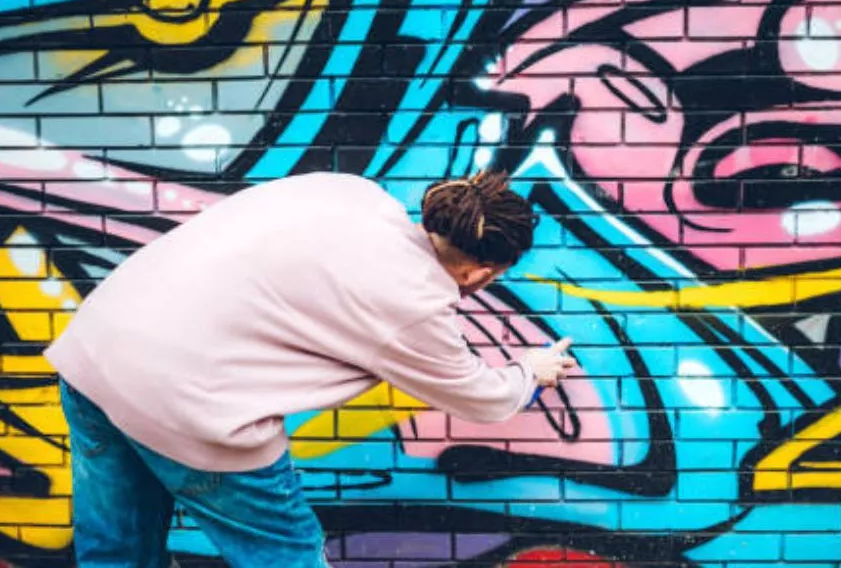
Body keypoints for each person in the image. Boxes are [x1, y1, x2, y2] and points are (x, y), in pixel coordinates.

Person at [44, 170, 577, 567]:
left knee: (117, 550)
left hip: (96, 354)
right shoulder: (411, 301)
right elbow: (481, 397)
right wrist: (531, 370)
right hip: (189, 403)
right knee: (287, 555)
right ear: (482, 270)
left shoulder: (353, 194)